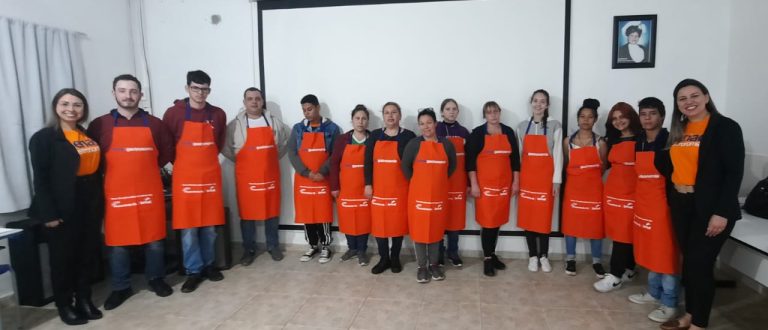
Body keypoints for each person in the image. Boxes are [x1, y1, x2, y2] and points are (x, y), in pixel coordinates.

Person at [658, 79, 744, 330]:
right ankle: (690, 314)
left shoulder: (724, 127)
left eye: (694, 95)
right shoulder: (678, 129)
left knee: (700, 264)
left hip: (710, 207)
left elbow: (733, 173)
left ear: (706, 97)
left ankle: (699, 324)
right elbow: (669, 165)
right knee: (691, 263)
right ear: (677, 104)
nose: (689, 102)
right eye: (682, 98)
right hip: (681, 203)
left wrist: (721, 212)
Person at [87, 74, 175, 310]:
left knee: (154, 240)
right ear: (114, 93)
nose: (128, 95)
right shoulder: (99, 125)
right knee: (118, 243)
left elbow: (166, 153)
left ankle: (156, 279)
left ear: (140, 95)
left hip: (149, 190)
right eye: (123, 90)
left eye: (133, 91)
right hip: (116, 192)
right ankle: (120, 287)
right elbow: (92, 157)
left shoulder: (155, 124)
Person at [28, 88, 103, 325]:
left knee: (86, 254)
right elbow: (40, 179)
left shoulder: (85, 135)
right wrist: (48, 213)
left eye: (77, 104)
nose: (71, 109)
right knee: (62, 258)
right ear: (55, 107)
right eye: (65, 104)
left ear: (84, 109)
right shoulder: (44, 138)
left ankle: (84, 299)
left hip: (89, 200)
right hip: (61, 204)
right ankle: (64, 304)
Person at [162, 70, 227, 293]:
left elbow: (218, 143)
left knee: (209, 227)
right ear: (187, 88)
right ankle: (193, 271)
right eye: (196, 88)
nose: (200, 93)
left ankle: (209, 266)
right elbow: (167, 144)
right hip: (185, 177)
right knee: (189, 229)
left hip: (209, 176)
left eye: (205, 89)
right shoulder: (173, 113)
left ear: (209, 89)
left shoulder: (218, 114)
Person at [627, 97, 680, 323]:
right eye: (643, 114)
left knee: (665, 253)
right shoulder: (639, 140)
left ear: (662, 116)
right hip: (644, 202)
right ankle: (653, 292)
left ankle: (669, 302)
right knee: (649, 249)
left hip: (664, 205)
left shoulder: (670, 140)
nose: (647, 118)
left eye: (652, 114)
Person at [223, 87, 289, 265]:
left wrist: (270, 158)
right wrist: (243, 160)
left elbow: (283, 143)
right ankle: (249, 249)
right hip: (247, 178)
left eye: (257, 98)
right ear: (244, 102)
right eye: (250, 99)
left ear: (262, 101)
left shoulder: (274, 122)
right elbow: (227, 148)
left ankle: (273, 246)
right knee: (247, 215)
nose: (254, 102)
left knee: (272, 212)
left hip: (270, 175)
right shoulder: (235, 125)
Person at [402, 108, 457, 283]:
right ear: (419, 126)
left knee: (435, 229)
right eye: (422, 124)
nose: (426, 127)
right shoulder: (413, 144)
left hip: (439, 195)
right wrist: (418, 181)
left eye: (429, 123)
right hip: (418, 195)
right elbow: (405, 167)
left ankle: (434, 265)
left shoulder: (447, 145)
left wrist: (438, 181)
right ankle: (422, 267)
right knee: (419, 231)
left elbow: (452, 166)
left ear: (436, 124)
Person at [466, 101, 521, 277]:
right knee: (488, 224)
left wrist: (516, 182)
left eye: (495, 111)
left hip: (504, 185)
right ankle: (487, 259)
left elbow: (515, 160)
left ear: (500, 113)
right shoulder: (477, 133)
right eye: (489, 112)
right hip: (484, 187)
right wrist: (473, 184)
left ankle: (492, 253)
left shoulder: (508, 132)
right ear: (485, 115)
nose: (493, 115)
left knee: (496, 223)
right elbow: (470, 162)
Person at [594, 102, 642, 292]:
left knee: (625, 233)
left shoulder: (642, 138)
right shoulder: (611, 140)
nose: (618, 121)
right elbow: (604, 165)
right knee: (620, 232)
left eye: (622, 117)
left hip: (634, 191)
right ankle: (629, 269)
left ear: (631, 117)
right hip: (613, 191)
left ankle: (614, 275)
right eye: (614, 118)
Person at [364, 102, 416, 274]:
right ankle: (383, 258)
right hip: (378, 188)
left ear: (399, 115)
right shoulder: (375, 136)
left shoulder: (408, 136)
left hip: (400, 189)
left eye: (394, 112)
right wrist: (368, 184)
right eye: (387, 113)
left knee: (397, 224)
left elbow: (413, 164)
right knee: (380, 226)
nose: (390, 115)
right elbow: (368, 162)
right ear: (383, 116)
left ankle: (395, 258)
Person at [288, 94, 341, 263]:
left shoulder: (332, 128)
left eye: (309, 109)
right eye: (304, 110)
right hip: (304, 179)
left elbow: (335, 154)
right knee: (307, 214)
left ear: (318, 108)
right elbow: (292, 153)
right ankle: (312, 245)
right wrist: (306, 172)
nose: (306, 113)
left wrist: (323, 171)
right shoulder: (298, 129)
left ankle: (325, 246)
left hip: (322, 178)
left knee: (323, 214)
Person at [516, 89, 563, 273]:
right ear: (531, 103)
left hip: (546, 180)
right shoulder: (521, 126)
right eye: (535, 101)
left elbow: (558, 154)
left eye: (542, 101)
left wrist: (556, 181)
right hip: (527, 179)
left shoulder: (555, 126)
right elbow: (519, 157)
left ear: (547, 105)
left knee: (544, 219)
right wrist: (518, 180)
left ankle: (544, 256)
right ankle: (532, 256)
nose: (538, 104)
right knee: (528, 219)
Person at [561, 98, 608, 278]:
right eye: (582, 116)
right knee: (571, 225)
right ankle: (570, 259)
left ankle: (597, 261)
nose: (585, 120)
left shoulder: (601, 143)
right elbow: (567, 163)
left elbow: (603, 166)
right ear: (577, 119)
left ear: (595, 120)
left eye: (590, 117)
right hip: (574, 189)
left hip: (594, 189)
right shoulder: (568, 142)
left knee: (596, 226)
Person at [329, 105, 372, 266]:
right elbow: (334, 164)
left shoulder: (373, 139)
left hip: (365, 188)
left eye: (364, 118)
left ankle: (362, 250)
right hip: (345, 188)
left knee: (363, 220)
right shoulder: (342, 139)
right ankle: (351, 248)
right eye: (357, 118)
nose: (360, 122)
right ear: (352, 120)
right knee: (347, 219)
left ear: (368, 121)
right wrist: (334, 186)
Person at [435, 98, 469, 267]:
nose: (451, 111)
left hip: (458, 182)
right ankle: (439, 254)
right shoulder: (435, 129)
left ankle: (453, 253)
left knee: (455, 221)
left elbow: (469, 160)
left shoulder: (464, 131)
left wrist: (469, 183)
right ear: (442, 112)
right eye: (447, 109)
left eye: (454, 109)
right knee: (440, 218)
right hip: (439, 181)